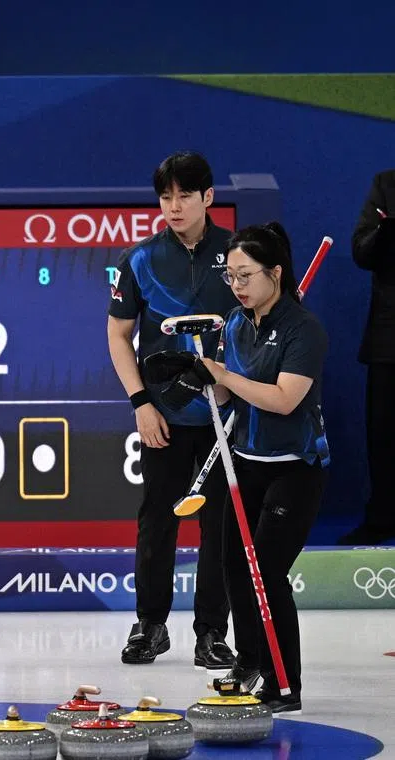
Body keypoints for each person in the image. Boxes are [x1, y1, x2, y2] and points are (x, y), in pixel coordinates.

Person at [149, 222, 329, 714]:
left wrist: (224, 375)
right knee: (234, 564)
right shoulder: (235, 322)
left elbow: (285, 399)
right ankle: (250, 662)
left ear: (275, 272)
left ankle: (282, 680)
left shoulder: (303, 329)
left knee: (266, 570)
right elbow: (226, 394)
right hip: (246, 460)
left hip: (294, 467)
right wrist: (197, 373)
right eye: (230, 276)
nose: (238, 286)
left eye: (246, 275)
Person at [107, 151, 236, 669]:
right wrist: (140, 402)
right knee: (157, 521)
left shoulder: (239, 253)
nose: (174, 207)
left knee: (220, 526)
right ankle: (151, 626)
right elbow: (118, 336)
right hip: (162, 417)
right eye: (166, 197)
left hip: (226, 419)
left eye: (185, 195)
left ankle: (211, 632)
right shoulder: (138, 259)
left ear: (208, 196)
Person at [340, 169, 395, 545]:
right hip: (388, 339)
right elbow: (361, 249)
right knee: (384, 436)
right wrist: (387, 233)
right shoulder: (386, 184)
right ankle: (382, 520)